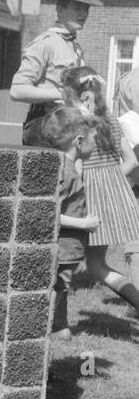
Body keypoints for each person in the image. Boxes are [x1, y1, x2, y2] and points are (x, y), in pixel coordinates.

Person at [50, 66, 139, 313]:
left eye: (63, 91)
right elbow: (132, 162)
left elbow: (76, 167)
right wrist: (112, 183)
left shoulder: (76, 122)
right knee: (98, 264)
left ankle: (58, 322)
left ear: (72, 93)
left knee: (70, 260)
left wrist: (91, 185)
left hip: (88, 198)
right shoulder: (110, 118)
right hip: (116, 196)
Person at [36, 107, 104, 339]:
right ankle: (55, 329)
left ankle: (59, 327)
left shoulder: (66, 166)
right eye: (95, 139)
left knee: (61, 287)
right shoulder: (63, 170)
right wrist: (84, 224)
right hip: (61, 249)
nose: (97, 145)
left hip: (67, 250)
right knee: (58, 287)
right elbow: (49, 212)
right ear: (79, 141)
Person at [11, 0, 99, 145]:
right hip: (44, 124)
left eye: (86, 8)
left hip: (68, 126)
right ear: (60, 10)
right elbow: (17, 90)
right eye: (77, 8)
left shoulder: (76, 49)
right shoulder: (45, 43)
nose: (83, 14)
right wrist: (61, 95)